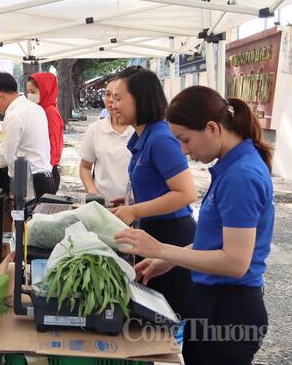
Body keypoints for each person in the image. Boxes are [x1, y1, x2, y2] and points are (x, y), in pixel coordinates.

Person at [116, 86, 274, 365]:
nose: (184, 151)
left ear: (212, 128)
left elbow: (235, 263)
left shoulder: (241, 176)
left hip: (229, 310)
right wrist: (169, 261)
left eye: (185, 140)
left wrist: (161, 249)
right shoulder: (232, 166)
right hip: (215, 302)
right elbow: (218, 241)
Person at [109, 68, 197, 319]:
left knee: (166, 319)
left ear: (141, 99)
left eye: (118, 98)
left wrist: (135, 210)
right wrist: (133, 200)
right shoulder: (143, 136)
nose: (112, 104)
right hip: (151, 232)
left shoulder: (161, 138)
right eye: (110, 97)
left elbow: (186, 193)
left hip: (172, 235)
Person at [0, 71, 54, 197]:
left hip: (29, 182)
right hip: (45, 177)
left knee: (28, 210)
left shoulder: (14, 115)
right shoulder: (36, 108)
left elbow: (5, 158)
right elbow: (25, 147)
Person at [78, 68, 142, 204]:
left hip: (136, 206)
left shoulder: (140, 130)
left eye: (117, 96)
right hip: (103, 205)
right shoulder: (95, 129)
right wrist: (94, 194)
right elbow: (85, 167)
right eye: (107, 94)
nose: (111, 100)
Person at [26, 73, 64, 192]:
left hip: (48, 171)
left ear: (45, 90)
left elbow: (54, 144)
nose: (29, 95)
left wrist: (47, 170)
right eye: (28, 92)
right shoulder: (39, 110)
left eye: (33, 91)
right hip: (43, 169)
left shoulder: (50, 112)